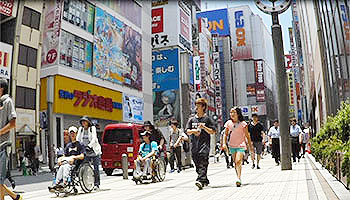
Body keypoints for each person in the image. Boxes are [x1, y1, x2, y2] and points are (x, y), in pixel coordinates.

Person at [186, 98, 216, 190]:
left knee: (203, 162)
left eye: (198, 106)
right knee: (197, 163)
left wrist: (204, 127)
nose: (196, 108)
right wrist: (194, 131)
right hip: (194, 145)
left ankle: (200, 180)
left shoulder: (207, 119)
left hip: (204, 145)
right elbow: (187, 131)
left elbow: (213, 131)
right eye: (196, 106)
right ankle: (204, 179)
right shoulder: (192, 120)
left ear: (203, 107)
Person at [0, 79, 23, 200]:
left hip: (3, 145)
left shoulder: (8, 101)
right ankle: (15, 196)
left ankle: (15, 196)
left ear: (1, 88)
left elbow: (13, 123)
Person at [223, 107, 253, 187]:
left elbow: (247, 135)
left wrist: (250, 146)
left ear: (238, 114)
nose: (232, 114)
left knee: (238, 160)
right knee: (235, 163)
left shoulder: (243, 124)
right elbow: (225, 134)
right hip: (232, 145)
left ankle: (239, 178)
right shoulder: (228, 123)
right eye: (231, 112)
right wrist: (224, 143)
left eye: (234, 112)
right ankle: (238, 177)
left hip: (241, 145)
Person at [49, 126, 85, 191]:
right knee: (61, 167)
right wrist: (60, 159)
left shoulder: (80, 144)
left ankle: (64, 183)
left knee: (66, 166)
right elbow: (64, 155)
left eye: (73, 133)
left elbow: (82, 156)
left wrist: (73, 157)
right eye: (71, 133)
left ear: (76, 134)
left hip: (75, 164)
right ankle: (56, 183)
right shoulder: (68, 145)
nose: (72, 135)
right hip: (67, 162)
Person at [77, 116, 102, 190]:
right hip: (85, 151)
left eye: (85, 121)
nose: (83, 123)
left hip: (94, 150)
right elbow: (78, 139)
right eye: (82, 122)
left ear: (88, 122)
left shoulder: (92, 128)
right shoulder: (80, 129)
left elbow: (94, 138)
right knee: (84, 168)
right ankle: (85, 184)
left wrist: (89, 146)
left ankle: (96, 184)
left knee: (96, 168)